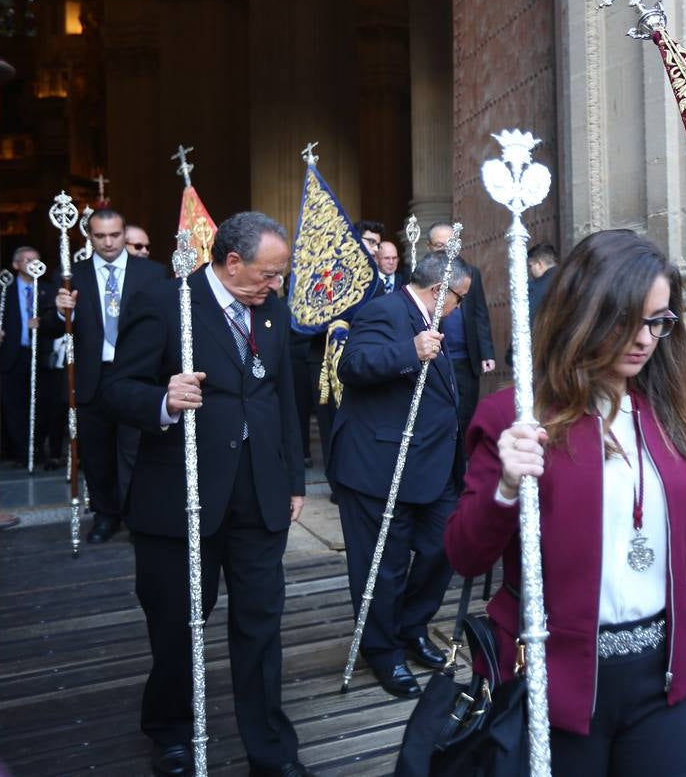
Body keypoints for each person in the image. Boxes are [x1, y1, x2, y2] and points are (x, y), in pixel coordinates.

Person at [445, 229, 686, 774]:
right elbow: (464, 555)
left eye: (658, 322)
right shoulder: (517, 416)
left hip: (661, 684)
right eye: (627, 319)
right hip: (557, 683)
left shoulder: (662, 414)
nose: (644, 339)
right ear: (584, 312)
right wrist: (505, 485)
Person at [103, 211, 313, 777]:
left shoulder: (271, 312)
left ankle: (270, 750)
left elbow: (282, 401)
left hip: (260, 495)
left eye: (280, 276)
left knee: (261, 626)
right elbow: (115, 390)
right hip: (182, 497)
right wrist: (164, 401)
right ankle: (171, 731)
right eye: (267, 274)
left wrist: (293, 479)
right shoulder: (166, 302)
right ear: (232, 261)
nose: (276, 286)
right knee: (177, 625)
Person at [331, 254, 470, 699]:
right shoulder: (383, 311)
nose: (458, 309)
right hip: (380, 465)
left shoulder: (430, 316)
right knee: (383, 566)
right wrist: (408, 352)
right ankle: (382, 649)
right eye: (458, 299)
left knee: (444, 545)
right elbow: (352, 366)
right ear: (438, 290)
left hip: (432, 464)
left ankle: (411, 627)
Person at [50, 209, 167, 543]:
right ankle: (105, 516)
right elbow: (48, 325)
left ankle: (137, 515)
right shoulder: (73, 275)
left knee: (136, 450)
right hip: (91, 376)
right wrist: (60, 312)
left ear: (124, 233)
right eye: (100, 236)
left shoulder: (153, 274)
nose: (108, 242)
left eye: (114, 235)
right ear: (89, 237)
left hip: (137, 375)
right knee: (97, 453)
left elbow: (166, 323)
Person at [427, 221, 495, 450]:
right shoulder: (422, 275)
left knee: (466, 412)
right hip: (435, 357)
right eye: (439, 245)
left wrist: (487, 352)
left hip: (466, 358)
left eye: (450, 244)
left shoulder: (471, 273)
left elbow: (480, 314)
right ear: (430, 247)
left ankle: (462, 460)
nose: (446, 250)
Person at [0, 246, 52, 466]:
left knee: (42, 405)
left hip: (41, 356)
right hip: (14, 355)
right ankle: (21, 452)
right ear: (16, 265)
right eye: (27, 260)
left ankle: (37, 449)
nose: (32, 264)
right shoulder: (3, 290)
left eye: (36, 260)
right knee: (15, 405)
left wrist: (43, 323)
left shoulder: (48, 290)